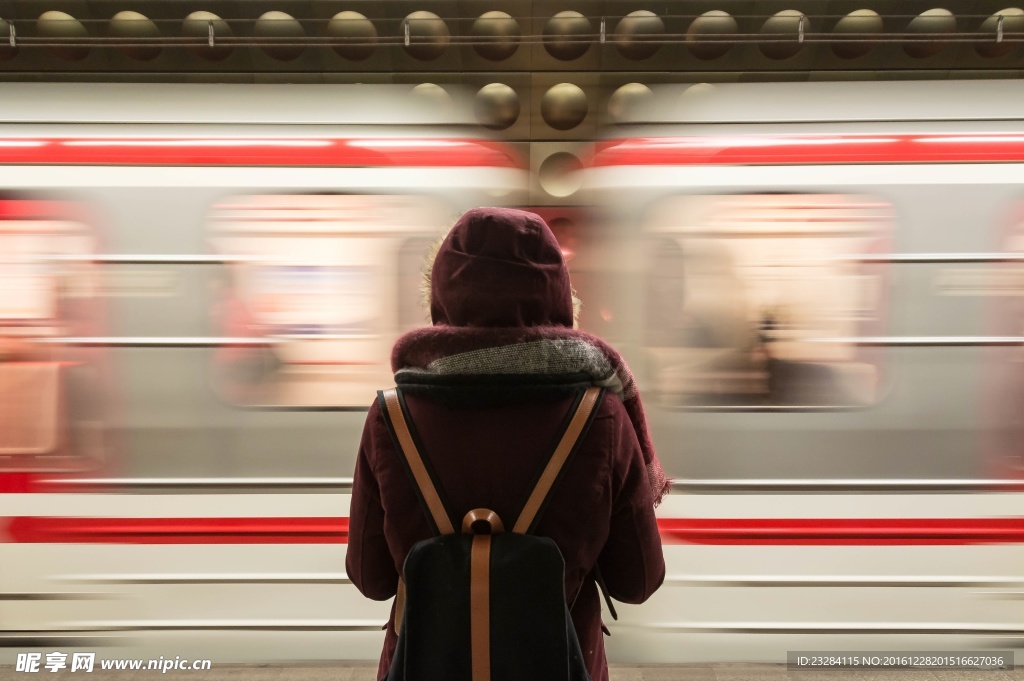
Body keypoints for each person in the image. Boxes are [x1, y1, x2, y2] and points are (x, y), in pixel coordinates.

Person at [346, 208, 668, 681]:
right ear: (558, 294)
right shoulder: (601, 416)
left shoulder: (391, 416)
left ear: (442, 294)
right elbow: (638, 581)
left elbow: (370, 578)